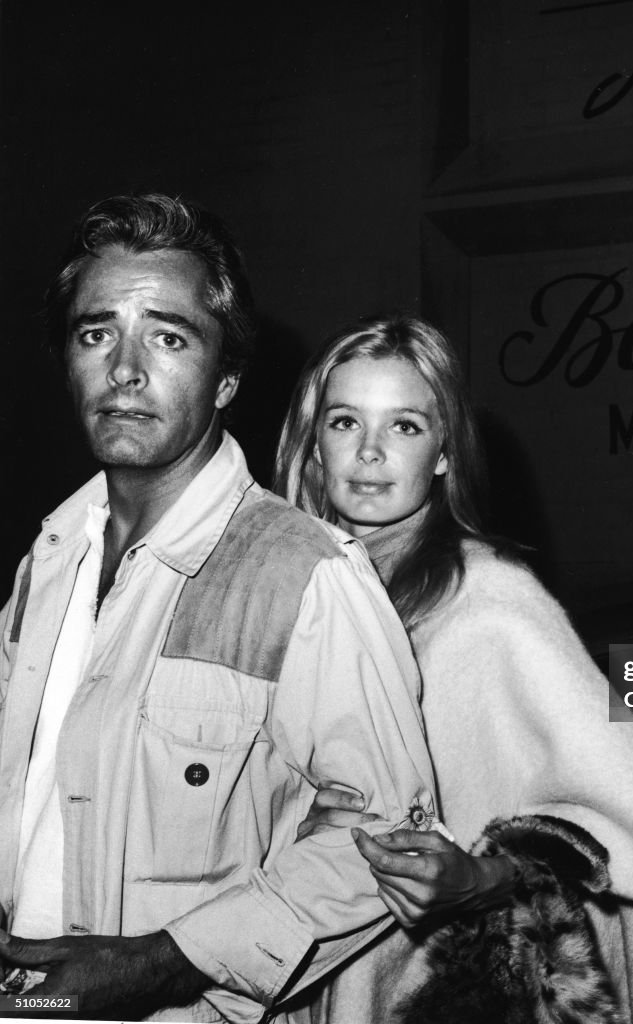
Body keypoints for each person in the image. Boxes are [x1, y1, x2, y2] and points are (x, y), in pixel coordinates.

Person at [274, 314, 633, 1024]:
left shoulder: (492, 599)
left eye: (404, 425)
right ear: (314, 443)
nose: (370, 451)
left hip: (432, 987)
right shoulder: (288, 591)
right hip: (286, 964)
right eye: (345, 422)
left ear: (442, 452)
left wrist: (477, 877)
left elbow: (610, 814)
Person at [0, 196, 438, 1023]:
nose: (126, 369)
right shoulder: (49, 562)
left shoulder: (305, 574)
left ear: (226, 378)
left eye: (168, 337)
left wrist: (164, 965)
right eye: (98, 333)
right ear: (67, 361)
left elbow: (386, 843)